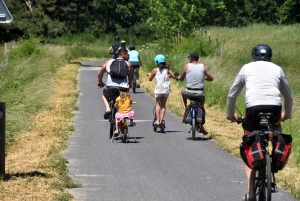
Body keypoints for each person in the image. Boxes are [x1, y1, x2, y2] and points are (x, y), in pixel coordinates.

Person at [226, 44, 293, 201]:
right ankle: (276, 143)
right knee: (276, 127)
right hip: (275, 109)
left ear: (253, 58)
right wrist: (287, 115)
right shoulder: (277, 69)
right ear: (270, 57)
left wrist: (230, 114)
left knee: (249, 142)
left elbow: (232, 95)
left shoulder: (246, 68)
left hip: (254, 110)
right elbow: (288, 97)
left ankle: (250, 194)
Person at [176, 52, 214, 135]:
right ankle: (201, 125)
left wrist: (178, 77)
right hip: (200, 93)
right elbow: (211, 78)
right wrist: (205, 78)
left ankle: (185, 110)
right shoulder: (203, 67)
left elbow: (181, 78)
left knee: (182, 94)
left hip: (189, 92)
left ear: (191, 58)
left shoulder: (187, 66)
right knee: (202, 107)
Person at [98, 49, 133, 119]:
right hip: (123, 88)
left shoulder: (109, 62)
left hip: (110, 86)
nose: (128, 56)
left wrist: (100, 81)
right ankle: (124, 114)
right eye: (127, 55)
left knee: (104, 95)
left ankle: (108, 109)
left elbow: (100, 72)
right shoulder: (128, 64)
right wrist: (129, 84)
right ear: (123, 55)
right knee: (124, 99)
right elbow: (131, 77)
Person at [147, 54, 177, 126]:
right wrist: (169, 76)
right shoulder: (167, 70)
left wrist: (149, 74)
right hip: (166, 89)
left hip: (158, 89)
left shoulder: (155, 70)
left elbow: (150, 79)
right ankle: (161, 120)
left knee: (158, 104)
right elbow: (174, 76)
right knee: (163, 105)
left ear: (157, 62)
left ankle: (157, 120)